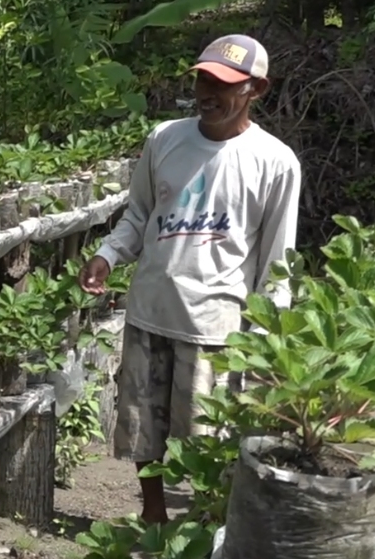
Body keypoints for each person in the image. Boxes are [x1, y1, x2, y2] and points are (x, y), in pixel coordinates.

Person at [79, 34, 300, 525]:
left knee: (214, 443)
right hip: (151, 309)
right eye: (203, 78)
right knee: (142, 430)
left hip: (218, 326)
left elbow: (277, 259)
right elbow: (139, 215)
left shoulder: (275, 161)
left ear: (255, 89)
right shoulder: (166, 139)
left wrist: (265, 338)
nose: (207, 92)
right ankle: (153, 517)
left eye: (222, 84)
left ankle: (208, 526)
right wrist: (108, 255)